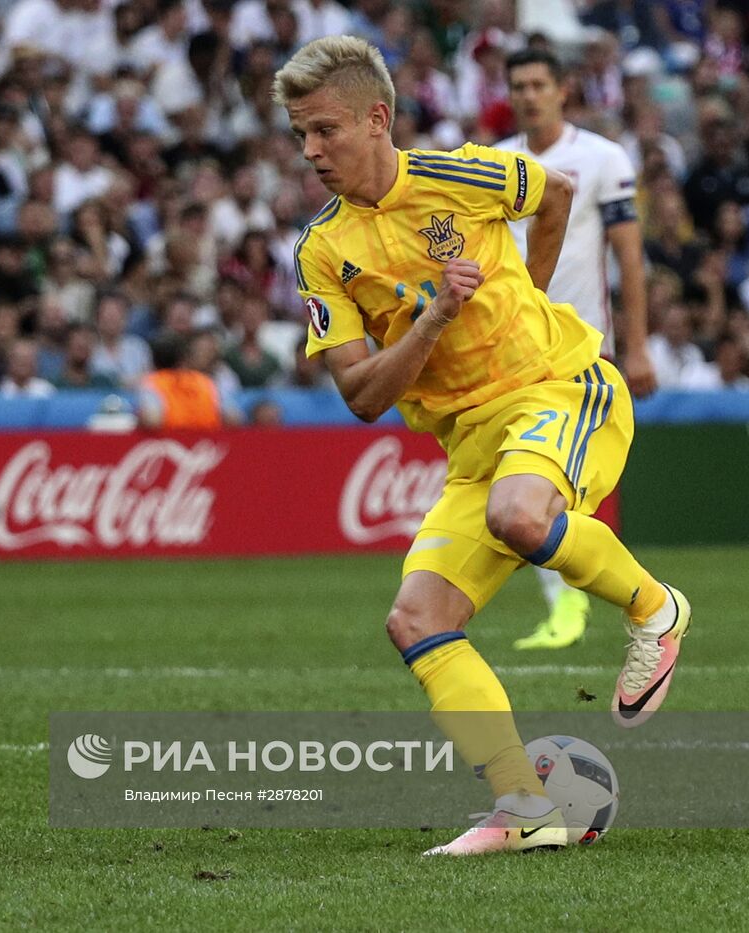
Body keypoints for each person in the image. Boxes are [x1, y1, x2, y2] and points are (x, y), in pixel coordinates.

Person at [277, 37, 690, 856]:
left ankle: (655, 606)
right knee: (415, 618)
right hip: (473, 440)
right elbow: (361, 396)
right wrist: (434, 316)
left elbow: (557, 190)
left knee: (518, 514)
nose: (311, 151)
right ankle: (524, 805)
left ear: (377, 119)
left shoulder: (459, 174)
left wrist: (526, 293)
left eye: (323, 130)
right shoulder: (322, 250)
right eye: (299, 135)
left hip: (560, 388)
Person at [498, 47, 656, 651]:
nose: (529, 94)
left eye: (539, 83)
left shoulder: (602, 158)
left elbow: (629, 256)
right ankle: (566, 603)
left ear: (563, 89)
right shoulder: (497, 163)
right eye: (519, 85)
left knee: (558, 483)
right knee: (523, 481)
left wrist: (636, 347)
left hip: (580, 348)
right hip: (509, 349)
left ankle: (595, 602)